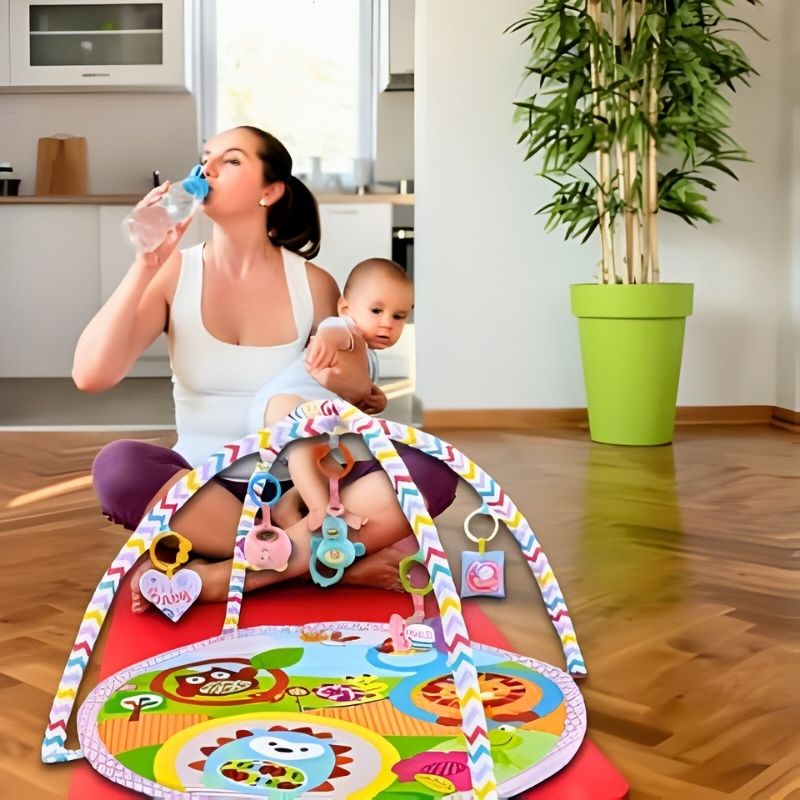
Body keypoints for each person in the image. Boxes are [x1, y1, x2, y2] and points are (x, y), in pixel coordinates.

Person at [72, 125, 457, 613]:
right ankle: (329, 564)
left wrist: (350, 380)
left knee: (431, 470)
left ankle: (226, 578)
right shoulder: (174, 274)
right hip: (206, 492)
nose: (207, 169)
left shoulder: (314, 283)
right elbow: (91, 375)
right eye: (205, 158)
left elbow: (357, 391)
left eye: (230, 161)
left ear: (270, 191)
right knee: (119, 467)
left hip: (304, 491)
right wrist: (144, 265)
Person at [246, 257, 414, 532]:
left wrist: (378, 400)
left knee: (335, 460)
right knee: (307, 442)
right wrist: (326, 338)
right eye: (376, 310)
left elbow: (358, 396)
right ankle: (320, 509)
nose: (387, 324)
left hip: (317, 417)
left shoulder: (370, 358)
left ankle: (288, 504)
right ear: (346, 308)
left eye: (398, 316)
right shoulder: (348, 331)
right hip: (284, 402)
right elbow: (333, 330)